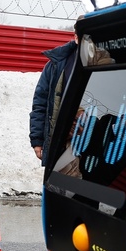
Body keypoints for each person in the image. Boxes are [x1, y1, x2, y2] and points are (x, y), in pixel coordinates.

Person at [29, 32, 79, 165]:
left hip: (83, 143)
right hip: (58, 145)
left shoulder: (103, 62)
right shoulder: (56, 64)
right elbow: (40, 104)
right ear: (76, 37)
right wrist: (37, 140)